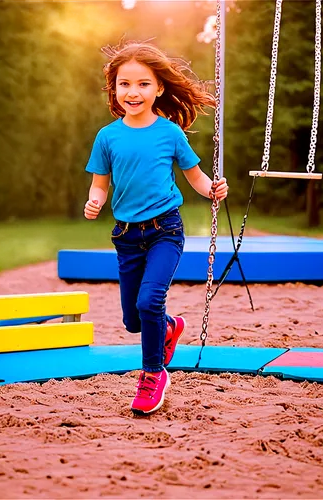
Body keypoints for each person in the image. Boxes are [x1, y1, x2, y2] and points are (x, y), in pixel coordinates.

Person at [84, 41, 228, 415]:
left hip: (165, 230)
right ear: (114, 89)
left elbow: (196, 179)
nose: (133, 92)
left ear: (159, 88)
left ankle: (152, 375)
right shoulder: (107, 137)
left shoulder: (170, 134)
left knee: (149, 300)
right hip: (127, 237)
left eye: (143, 84)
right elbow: (100, 182)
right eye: (125, 84)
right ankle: (168, 327)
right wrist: (96, 199)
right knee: (134, 319)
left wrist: (213, 189)